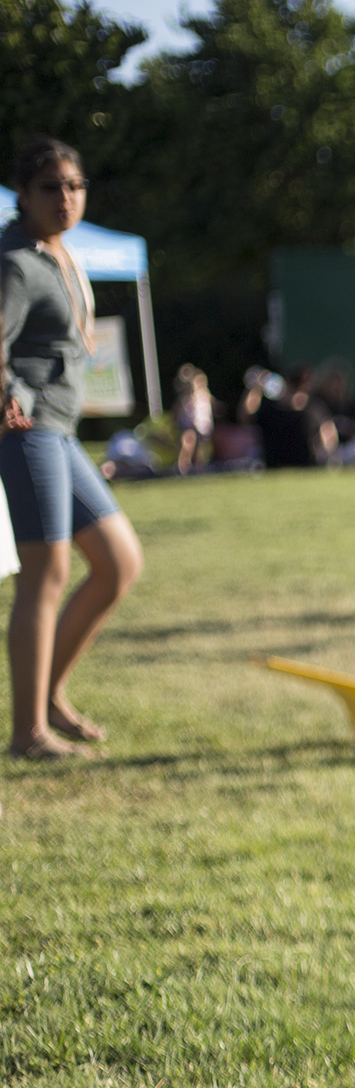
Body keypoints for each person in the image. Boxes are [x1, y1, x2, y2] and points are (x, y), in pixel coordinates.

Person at [2, 138, 143, 760]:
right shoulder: (16, 263)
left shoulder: (62, 255)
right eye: (50, 187)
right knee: (47, 574)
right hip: (27, 432)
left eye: (74, 186)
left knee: (119, 563)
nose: (65, 198)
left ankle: (49, 697)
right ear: (22, 197)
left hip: (61, 433)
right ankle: (28, 733)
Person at [257, 367, 333, 469]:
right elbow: (246, 417)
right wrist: (256, 389)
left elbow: (328, 432)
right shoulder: (271, 408)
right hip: (274, 462)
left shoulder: (313, 408)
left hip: (304, 463)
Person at [172, 364, 213, 474]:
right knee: (188, 442)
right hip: (188, 427)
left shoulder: (205, 396)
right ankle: (183, 467)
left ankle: (199, 469)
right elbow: (176, 413)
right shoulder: (186, 399)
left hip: (203, 428)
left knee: (202, 450)